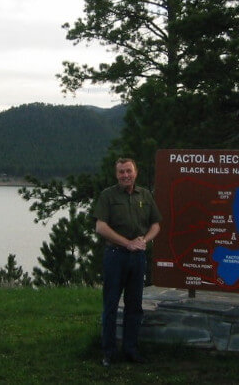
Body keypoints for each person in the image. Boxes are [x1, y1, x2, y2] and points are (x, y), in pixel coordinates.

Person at [92, 157, 161, 367]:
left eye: (128, 171)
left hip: (137, 258)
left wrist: (143, 241)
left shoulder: (146, 195)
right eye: (121, 172)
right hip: (115, 256)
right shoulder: (108, 196)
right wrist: (126, 243)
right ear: (116, 175)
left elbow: (156, 224)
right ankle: (109, 352)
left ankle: (131, 350)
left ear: (135, 172)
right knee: (111, 304)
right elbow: (100, 227)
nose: (125, 175)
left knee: (134, 305)